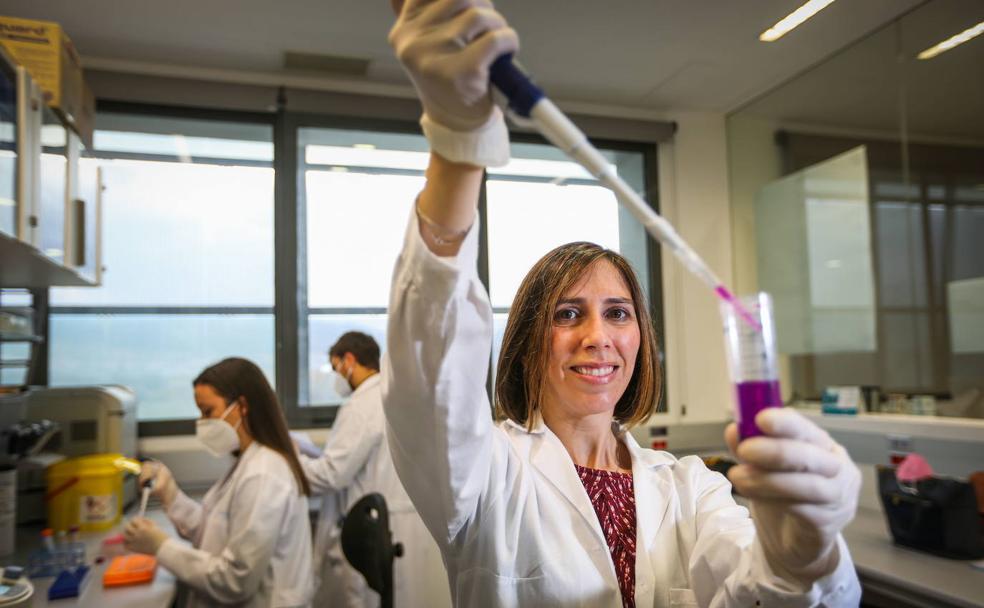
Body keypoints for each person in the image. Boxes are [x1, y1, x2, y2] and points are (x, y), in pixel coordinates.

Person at [381, 1, 863, 606]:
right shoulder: (485, 474)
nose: (597, 337)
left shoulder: (693, 488)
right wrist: (457, 144)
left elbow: (765, 595)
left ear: (641, 337)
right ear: (530, 337)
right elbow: (432, 377)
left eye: (618, 313)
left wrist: (807, 556)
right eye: (566, 313)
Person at [123, 357, 314, 608]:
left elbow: (235, 581)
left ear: (242, 406)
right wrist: (170, 492)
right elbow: (214, 532)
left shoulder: (263, 475)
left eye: (208, 412)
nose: (202, 423)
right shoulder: (249, 461)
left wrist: (162, 547)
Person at [299, 332, 450, 608]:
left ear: (349, 360)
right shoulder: (397, 398)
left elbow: (332, 474)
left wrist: (293, 463)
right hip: (409, 523)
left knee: (374, 598)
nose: (337, 377)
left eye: (335, 368)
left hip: (377, 527)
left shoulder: (361, 406)